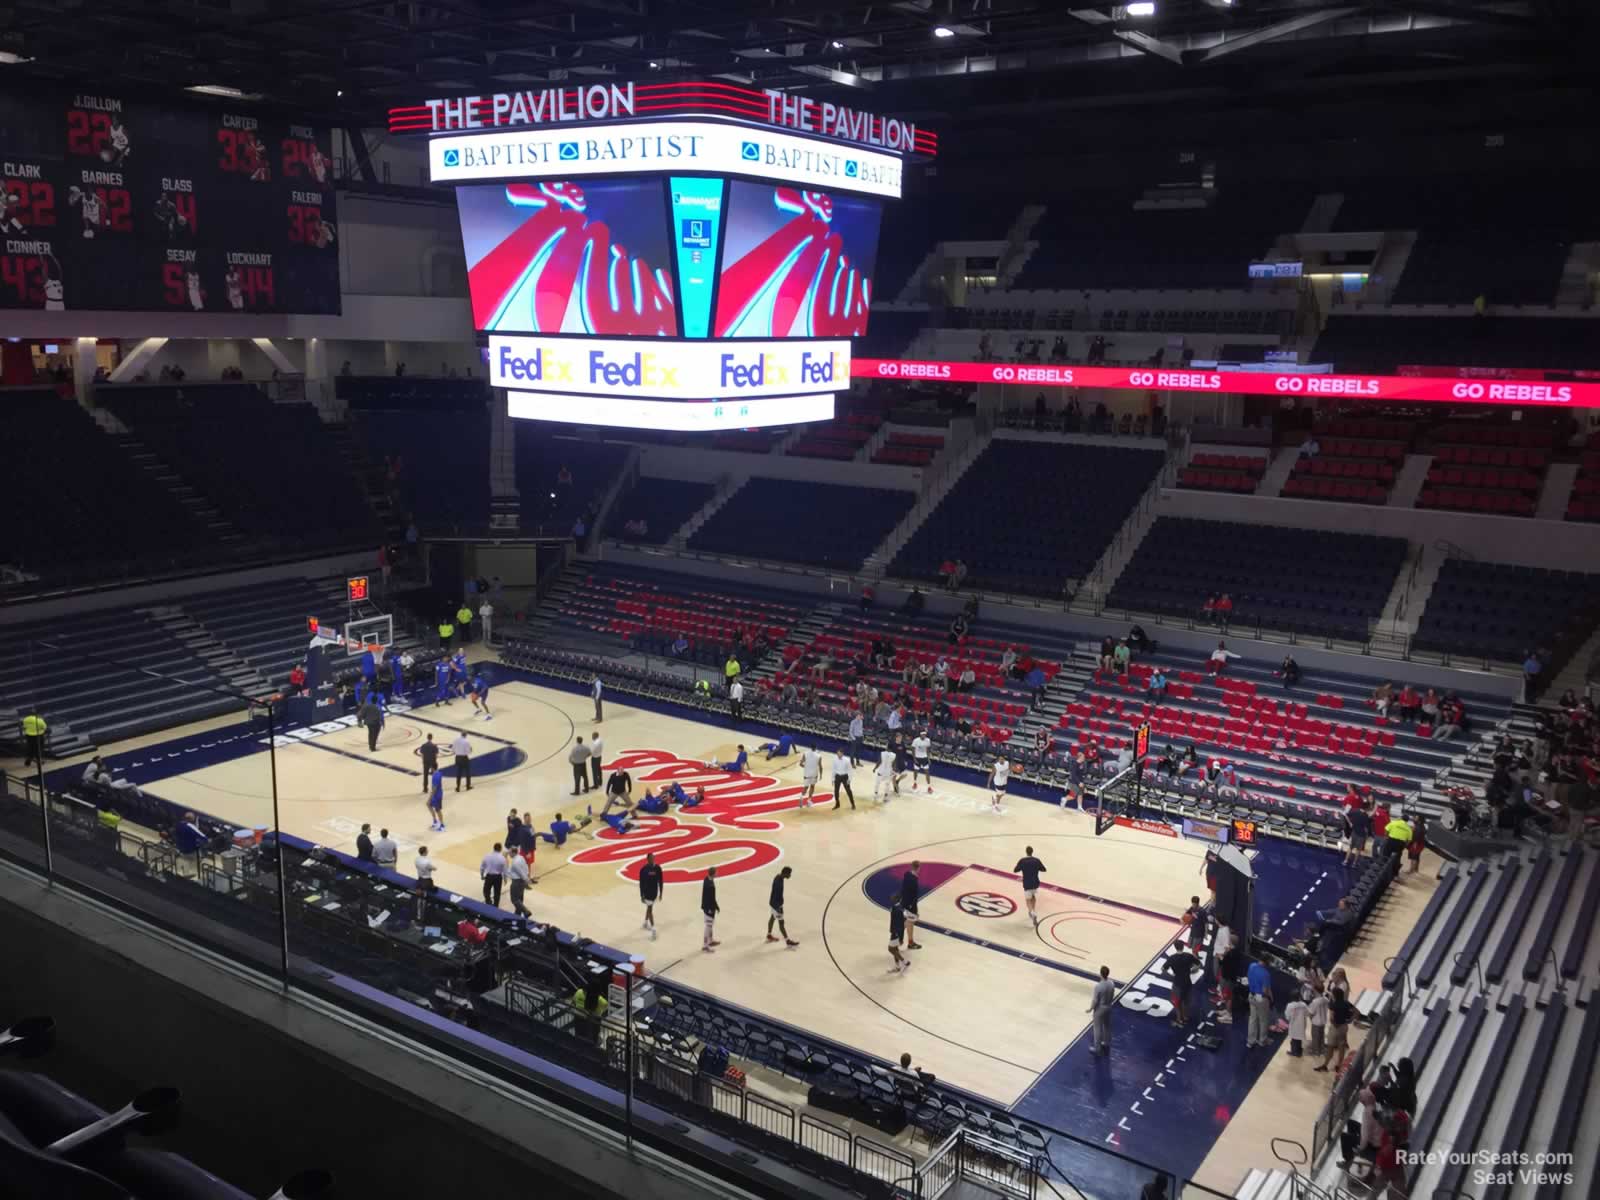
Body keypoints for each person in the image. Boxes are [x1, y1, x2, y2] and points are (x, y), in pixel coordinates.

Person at [1316, 987, 1353, 1072]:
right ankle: (1339, 1065)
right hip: (1344, 1026)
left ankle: (1325, 1065)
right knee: (1341, 1047)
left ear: (1334, 995)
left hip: (1335, 1027)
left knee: (1330, 1047)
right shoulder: (1346, 1003)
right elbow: (1355, 1011)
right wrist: (1350, 1020)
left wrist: (1334, 1024)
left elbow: (1332, 1018)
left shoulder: (1333, 1004)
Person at [1166, 940, 1200, 1027]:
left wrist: (1171, 975)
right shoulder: (1188, 956)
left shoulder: (1172, 958)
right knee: (1186, 1001)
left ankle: (1179, 1019)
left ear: (1175, 947)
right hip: (1187, 982)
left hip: (1177, 982)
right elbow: (1198, 964)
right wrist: (1193, 971)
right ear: (1183, 946)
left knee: (1177, 1002)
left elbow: (1163, 969)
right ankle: (1185, 1017)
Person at [766, 866, 799, 947]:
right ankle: (787, 940)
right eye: (789, 874)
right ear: (785, 873)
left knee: (772, 918)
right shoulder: (779, 883)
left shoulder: (778, 877)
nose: (790, 876)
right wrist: (779, 908)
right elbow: (777, 895)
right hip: (777, 905)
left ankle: (769, 935)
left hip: (773, 903)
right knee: (781, 923)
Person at [1015, 847, 1046, 928]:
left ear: (1026, 852)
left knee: (1028, 900)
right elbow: (1043, 869)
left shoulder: (1022, 861)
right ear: (1032, 852)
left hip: (1027, 883)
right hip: (1035, 882)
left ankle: (1032, 912)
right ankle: (1033, 911)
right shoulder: (1036, 860)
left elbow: (1015, 870)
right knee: (1033, 897)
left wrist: (1023, 868)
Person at [1246, 957, 1273, 1048]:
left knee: (1253, 1019)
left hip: (1251, 995)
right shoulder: (1266, 974)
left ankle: (1250, 1041)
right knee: (1263, 1020)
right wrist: (1271, 998)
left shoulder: (1252, 966)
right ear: (1266, 963)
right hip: (1261, 998)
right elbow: (1265, 990)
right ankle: (1262, 1041)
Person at [1088, 965, 1115, 1055]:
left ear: (1101, 974)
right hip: (1109, 1006)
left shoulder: (1098, 986)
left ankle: (1097, 1048)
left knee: (1097, 1028)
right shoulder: (1111, 983)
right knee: (1107, 1025)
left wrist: (1091, 1008)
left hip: (1100, 1008)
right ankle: (1106, 1042)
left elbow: (1095, 1000)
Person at [639, 852, 663, 941]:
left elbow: (661, 881)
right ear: (648, 859)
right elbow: (641, 883)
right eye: (652, 858)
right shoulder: (643, 870)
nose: (653, 859)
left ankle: (645, 923)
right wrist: (641, 895)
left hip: (654, 893)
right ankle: (653, 929)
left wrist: (661, 893)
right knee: (650, 909)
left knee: (650, 908)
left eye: (654, 858)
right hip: (647, 893)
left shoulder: (658, 868)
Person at [899, 862, 924, 949]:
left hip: (904, 902)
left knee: (909, 921)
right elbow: (913, 895)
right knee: (911, 921)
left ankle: (899, 934)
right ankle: (910, 942)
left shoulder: (907, 874)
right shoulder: (913, 880)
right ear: (918, 868)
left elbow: (904, 889)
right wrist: (914, 909)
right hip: (910, 904)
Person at [1285, 986, 1311, 1057]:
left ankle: (1294, 1052)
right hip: (1302, 1024)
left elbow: (1287, 1016)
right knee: (1299, 1038)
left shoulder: (1289, 1006)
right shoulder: (1304, 1004)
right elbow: (1308, 1013)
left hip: (1294, 1025)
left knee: (1294, 1039)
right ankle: (1299, 1051)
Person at [701, 865, 721, 953]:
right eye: (716, 872)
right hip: (708, 907)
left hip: (706, 906)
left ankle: (710, 940)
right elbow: (711, 898)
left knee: (710, 925)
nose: (718, 873)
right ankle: (705, 945)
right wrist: (715, 907)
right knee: (708, 926)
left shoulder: (707, 879)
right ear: (713, 874)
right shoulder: (711, 886)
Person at [888, 899, 911, 973]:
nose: (891, 898)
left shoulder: (897, 910)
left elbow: (899, 925)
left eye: (893, 898)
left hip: (896, 933)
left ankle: (905, 962)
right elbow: (903, 923)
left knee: (891, 949)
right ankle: (897, 967)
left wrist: (900, 936)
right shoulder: (899, 908)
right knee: (895, 949)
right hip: (896, 932)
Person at [507, 846, 531, 917]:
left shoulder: (515, 863)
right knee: (520, 898)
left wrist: (527, 879)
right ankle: (518, 913)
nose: (509, 854)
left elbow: (521, 873)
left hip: (517, 882)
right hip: (521, 882)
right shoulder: (521, 857)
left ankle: (526, 911)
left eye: (510, 853)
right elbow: (526, 867)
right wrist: (527, 877)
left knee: (514, 899)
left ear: (513, 853)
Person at [480, 842, 506, 908]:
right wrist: (505, 878)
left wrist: (482, 875)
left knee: (486, 890)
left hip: (489, 876)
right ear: (500, 849)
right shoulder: (502, 858)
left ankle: (488, 902)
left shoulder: (487, 856)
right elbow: (504, 870)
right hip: (498, 877)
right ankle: (496, 906)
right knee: (497, 892)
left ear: (493, 848)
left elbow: (482, 867)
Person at [413, 845, 436, 920]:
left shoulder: (416, 859)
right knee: (423, 898)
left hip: (420, 879)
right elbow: (434, 868)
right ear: (425, 852)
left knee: (419, 899)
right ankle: (421, 916)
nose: (428, 851)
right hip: (426, 881)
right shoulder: (426, 861)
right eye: (427, 850)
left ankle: (418, 914)